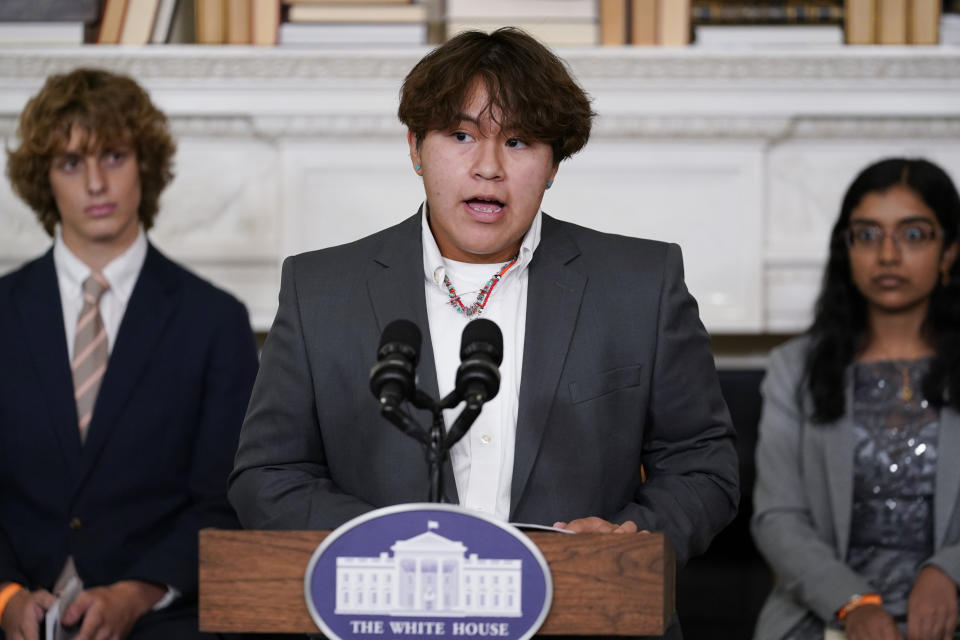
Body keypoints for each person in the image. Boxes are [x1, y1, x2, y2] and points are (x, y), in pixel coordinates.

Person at [229, 28, 738, 637]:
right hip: (380, 621)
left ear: (552, 164)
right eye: (461, 135)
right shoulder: (319, 289)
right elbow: (266, 476)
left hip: (585, 614)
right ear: (415, 147)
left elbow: (703, 463)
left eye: (519, 140)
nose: (489, 167)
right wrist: (382, 546)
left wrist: (635, 541)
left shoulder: (641, 284)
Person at [0, 68, 259, 640]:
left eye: (113, 156)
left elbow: (227, 501)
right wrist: (6, 595)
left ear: (145, 164)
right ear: (45, 179)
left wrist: (134, 593)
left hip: (159, 617)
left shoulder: (215, 321)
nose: (95, 182)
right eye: (71, 163)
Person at [751, 157, 960, 640]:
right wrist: (852, 603)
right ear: (846, 249)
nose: (888, 254)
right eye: (867, 234)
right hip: (827, 615)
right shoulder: (794, 369)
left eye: (913, 235)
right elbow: (777, 517)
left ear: (949, 250)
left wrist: (948, 569)